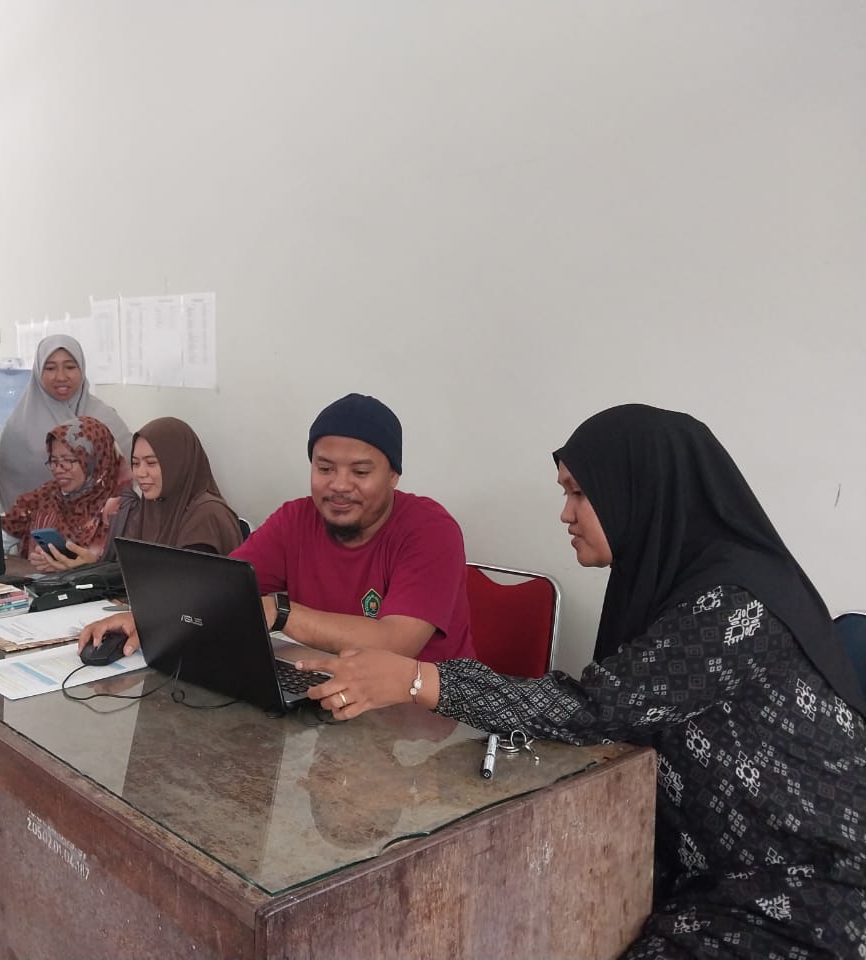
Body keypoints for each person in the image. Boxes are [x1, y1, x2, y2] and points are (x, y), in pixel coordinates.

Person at [296, 404, 866, 959]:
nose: (566, 515)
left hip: (803, 888)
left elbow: (593, 709)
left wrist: (418, 680)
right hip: (694, 863)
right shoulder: (665, 581)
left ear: (639, 491)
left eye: (580, 494)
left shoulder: (734, 605)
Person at [80, 394, 475, 665]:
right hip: (325, 690)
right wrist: (146, 617)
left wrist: (282, 612)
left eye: (360, 472)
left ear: (393, 476)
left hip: (426, 721)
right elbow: (217, 588)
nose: (339, 485)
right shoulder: (296, 520)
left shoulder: (430, 530)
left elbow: (395, 643)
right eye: (324, 468)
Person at [44, 416, 242, 567]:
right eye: (136, 463)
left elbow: (183, 584)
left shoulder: (208, 515)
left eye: (151, 463)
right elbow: (137, 576)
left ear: (178, 464)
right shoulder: (152, 507)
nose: (140, 473)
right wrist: (92, 567)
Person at [0, 335, 131, 508]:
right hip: (35, 523)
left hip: (101, 521)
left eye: (70, 367)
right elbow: (11, 489)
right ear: (38, 372)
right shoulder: (18, 428)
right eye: (50, 368)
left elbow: (128, 474)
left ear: (81, 368)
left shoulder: (105, 418)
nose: (61, 377)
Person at [1, 416, 125, 571]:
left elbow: (130, 571)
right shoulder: (45, 495)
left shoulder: (122, 509)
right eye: (54, 461)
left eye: (68, 460)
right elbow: (1, 538)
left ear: (94, 459)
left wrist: (88, 568)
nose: (58, 469)